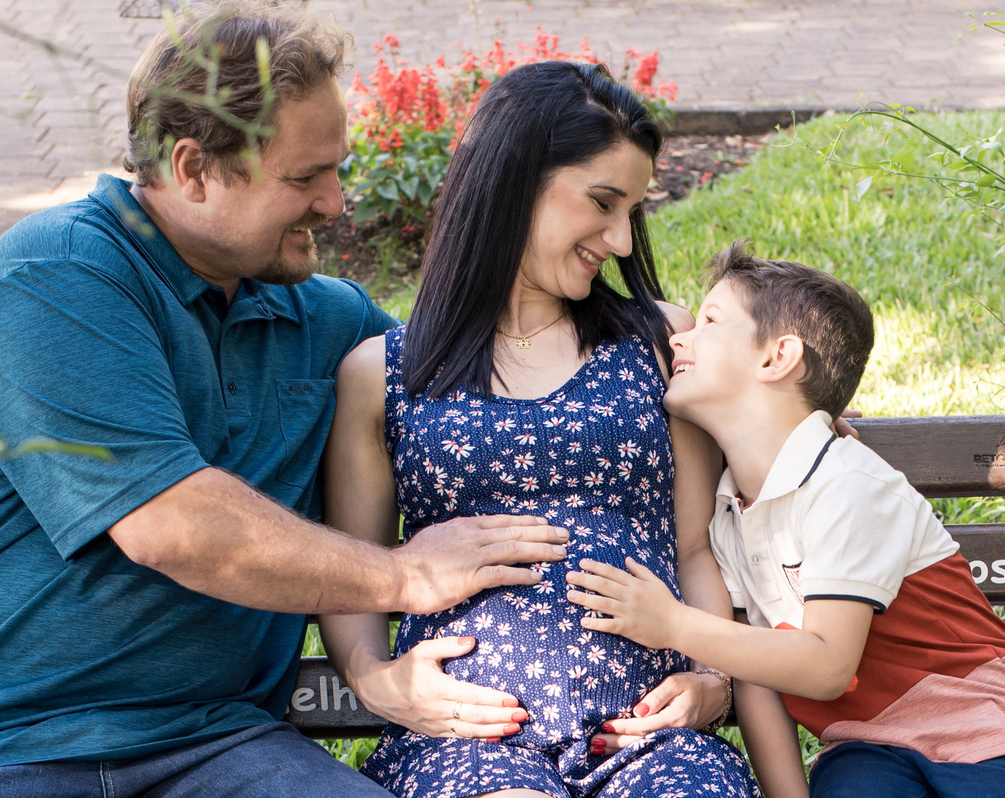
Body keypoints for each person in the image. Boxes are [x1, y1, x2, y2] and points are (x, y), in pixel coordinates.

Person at [0, 3, 570, 795]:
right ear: (193, 169)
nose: (335, 202)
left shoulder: (331, 324)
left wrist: (670, 358)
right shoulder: (55, 278)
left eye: (337, 169)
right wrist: (404, 577)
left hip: (219, 742)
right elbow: (175, 527)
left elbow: (506, 407)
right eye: (305, 177)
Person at [319, 61, 761, 798]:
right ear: (517, 180)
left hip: (648, 741)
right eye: (603, 203)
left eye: (632, 213)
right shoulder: (384, 372)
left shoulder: (658, 342)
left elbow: (693, 545)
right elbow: (353, 572)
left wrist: (712, 679)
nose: (621, 241)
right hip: (467, 745)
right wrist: (375, 679)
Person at [566, 242, 1005, 798]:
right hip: (869, 745)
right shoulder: (730, 512)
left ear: (776, 358)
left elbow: (828, 665)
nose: (678, 338)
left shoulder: (848, 484)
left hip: (983, 724)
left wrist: (673, 624)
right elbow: (756, 672)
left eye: (709, 321)